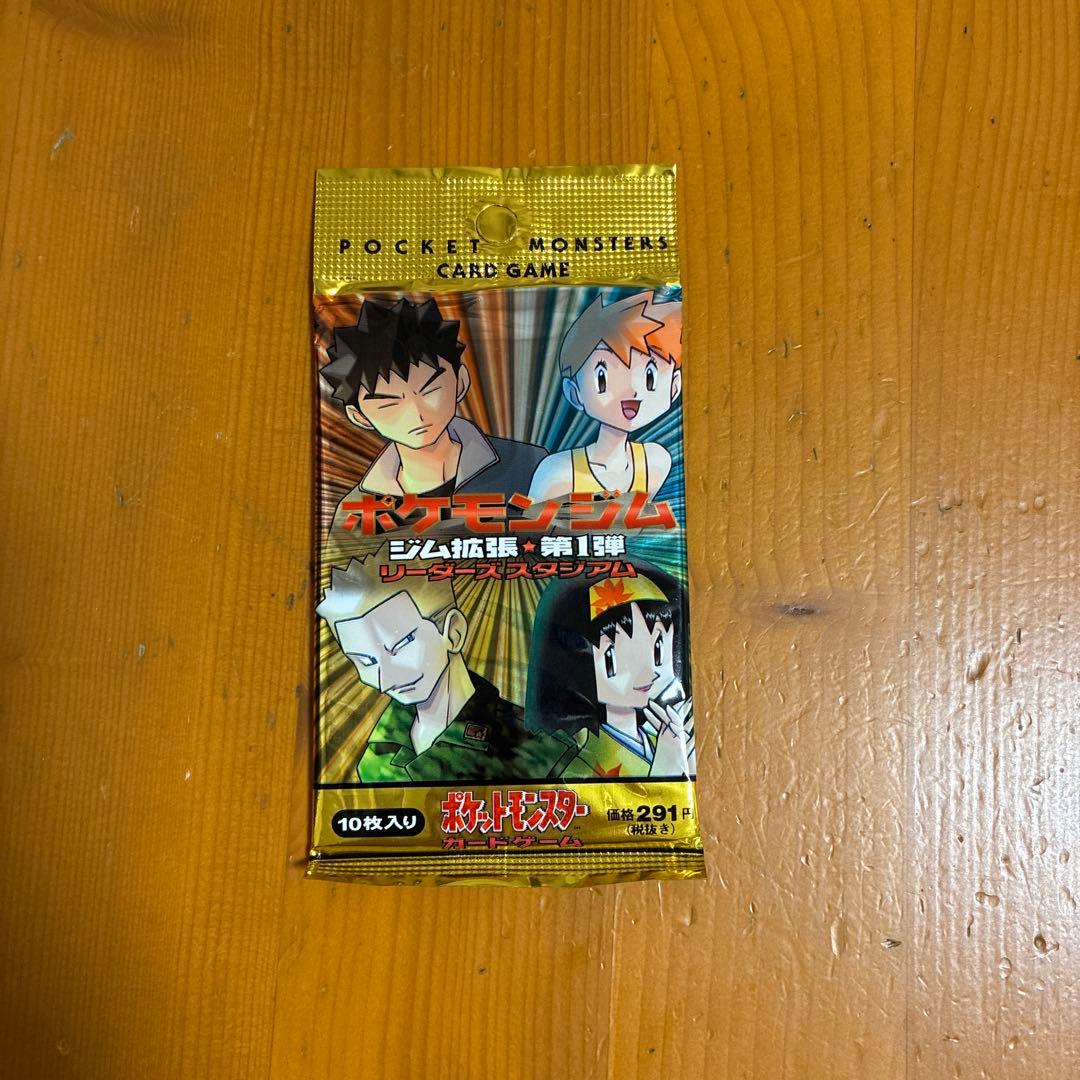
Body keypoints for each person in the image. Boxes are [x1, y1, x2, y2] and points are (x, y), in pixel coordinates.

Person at [317, 547, 577, 783]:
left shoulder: (541, 749)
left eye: (400, 646)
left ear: (453, 632)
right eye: (366, 661)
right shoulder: (378, 748)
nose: (385, 679)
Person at [321, 297, 546, 535]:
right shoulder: (356, 511)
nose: (417, 413)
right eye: (388, 403)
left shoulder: (530, 465)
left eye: (430, 390)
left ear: (460, 382)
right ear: (360, 416)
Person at [525, 563, 694, 779]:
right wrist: (663, 774)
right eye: (615, 657)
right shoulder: (581, 767)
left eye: (658, 649)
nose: (647, 672)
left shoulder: (667, 743)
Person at [527, 291, 681, 502]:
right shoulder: (557, 474)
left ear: (674, 386)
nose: (632, 391)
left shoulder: (656, 462)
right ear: (574, 393)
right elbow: (528, 522)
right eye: (602, 378)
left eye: (649, 376)